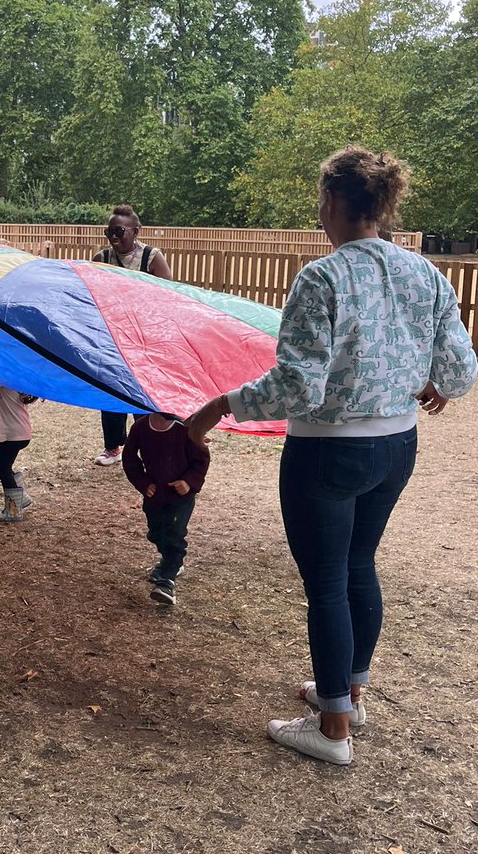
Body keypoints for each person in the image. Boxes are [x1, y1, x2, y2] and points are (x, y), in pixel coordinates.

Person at [185, 146, 477, 766]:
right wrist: (432, 383)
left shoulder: (322, 277)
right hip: (397, 446)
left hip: (328, 452)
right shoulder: (425, 274)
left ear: (336, 202)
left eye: (321, 198)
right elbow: (459, 367)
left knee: (326, 585)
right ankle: (348, 694)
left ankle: (333, 729)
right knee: (358, 565)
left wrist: (217, 407)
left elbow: (298, 386)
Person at [92, 205, 172, 466]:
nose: (113, 237)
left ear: (136, 231)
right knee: (111, 389)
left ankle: (147, 446)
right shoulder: (101, 258)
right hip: (111, 336)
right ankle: (113, 446)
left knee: (143, 392)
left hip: (144, 338)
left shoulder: (152, 258)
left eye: (119, 231)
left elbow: (167, 297)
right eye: (109, 232)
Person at [122, 412, 210, 606]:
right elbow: (129, 458)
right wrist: (143, 482)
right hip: (154, 496)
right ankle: (170, 561)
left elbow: (202, 459)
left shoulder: (187, 429)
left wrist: (188, 482)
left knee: (174, 534)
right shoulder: (141, 427)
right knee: (156, 533)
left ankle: (167, 581)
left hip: (181, 498)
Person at [0, 381, 35, 523]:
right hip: (16, 433)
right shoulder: (10, 383)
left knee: (2, 468)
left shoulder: (8, 381)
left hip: (14, 434)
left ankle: (13, 510)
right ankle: (21, 498)